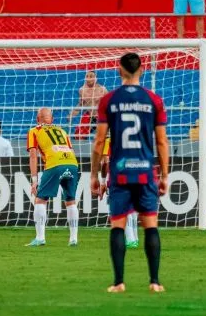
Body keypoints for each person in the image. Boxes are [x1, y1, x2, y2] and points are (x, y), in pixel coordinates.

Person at [91, 52, 170, 294]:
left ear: (119, 70)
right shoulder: (154, 100)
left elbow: (99, 141)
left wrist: (95, 175)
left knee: (118, 226)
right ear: (142, 70)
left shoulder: (108, 100)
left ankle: (118, 283)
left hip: (120, 171)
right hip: (145, 171)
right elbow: (162, 141)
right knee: (151, 225)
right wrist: (165, 175)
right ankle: (155, 282)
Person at [26, 107, 80, 247]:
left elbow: (33, 154)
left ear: (38, 119)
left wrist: (34, 180)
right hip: (72, 163)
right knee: (70, 200)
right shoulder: (62, 131)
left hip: (55, 164)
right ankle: (73, 239)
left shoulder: (34, 131)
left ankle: (40, 238)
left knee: (40, 200)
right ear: (52, 119)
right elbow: (71, 149)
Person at [100, 136, 140, 248]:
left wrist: (103, 181)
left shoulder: (109, 140)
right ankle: (135, 238)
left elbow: (105, 162)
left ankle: (131, 240)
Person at [69, 70, 108, 139]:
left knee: (104, 137)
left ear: (96, 78)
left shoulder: (102, 89)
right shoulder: (82, 90)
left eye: (91, 76)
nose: (89, 78)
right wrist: (71, 114)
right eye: (87, 76)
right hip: (89, 115)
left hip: (101, 116)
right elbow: (80, 104)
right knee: (78, 137)